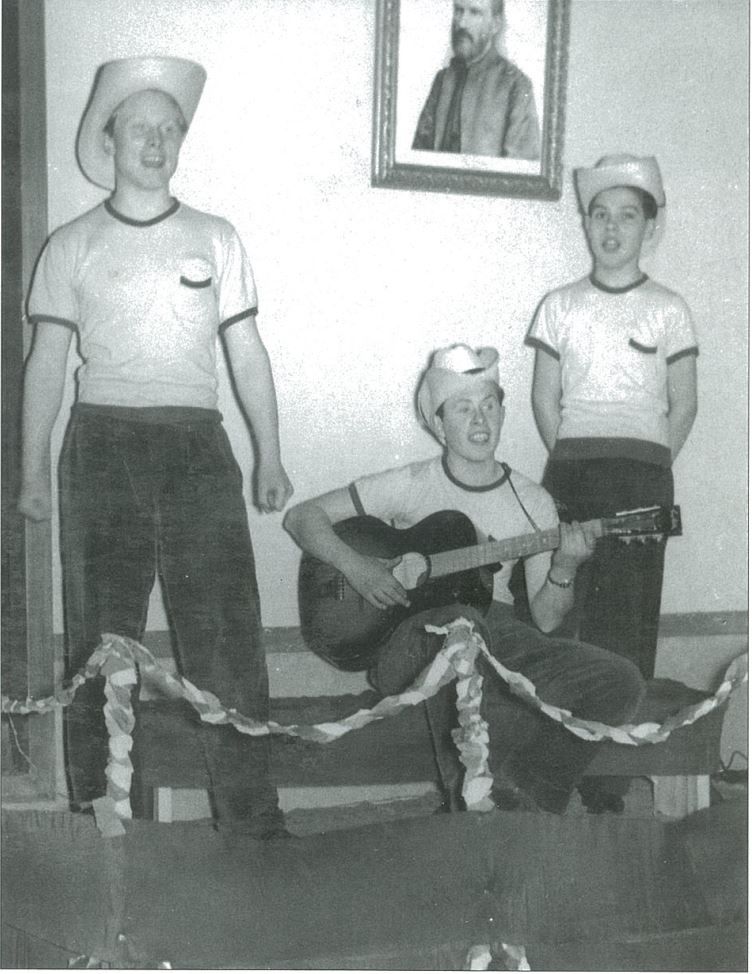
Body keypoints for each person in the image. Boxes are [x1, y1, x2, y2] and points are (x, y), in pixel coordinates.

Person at [18, 56, 293, 838]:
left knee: (227, 640)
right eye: (140, 127)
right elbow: (46, 363)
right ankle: (103, 825)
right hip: (102, 447)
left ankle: (252, 825)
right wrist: (33, 471)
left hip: (197, 448)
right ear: (108, 140)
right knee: (99, 645)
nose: (156, 141)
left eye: (170, 128)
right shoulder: (71, 244)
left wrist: (270, 453)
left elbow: (248, 353)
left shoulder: (217, 236)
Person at [284, 344, 644, 814]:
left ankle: (531, 793)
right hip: (410, 643)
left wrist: (564, 567)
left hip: (499, 635)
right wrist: (358, 567)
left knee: (621, 680)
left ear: (502, 414)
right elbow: (302, 517)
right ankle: (467, 808)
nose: (480, 420)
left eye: (490, 406)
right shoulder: (410, 483)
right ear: (438, 425)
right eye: (463, 408)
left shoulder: (533, 500)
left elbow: (546, 620)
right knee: (459, 623)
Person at [526, 154, 699, 812]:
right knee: (565, 616)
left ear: (649, 228)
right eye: (600, 215)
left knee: (628, 624)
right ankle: (551, 768)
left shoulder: (669, 309)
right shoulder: (559, 306)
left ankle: (608, 785)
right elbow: (545, 400)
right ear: (586, 224)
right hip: (572, 470)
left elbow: (684, 405)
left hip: (643, 478)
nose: (611, 228)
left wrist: (649, 467)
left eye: (627, 216)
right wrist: (572, 463)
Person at [412, 0, 540, 159]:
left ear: (495, 24)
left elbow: (520, 169)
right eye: (458, 10)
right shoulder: (442, 80)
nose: (462, 23)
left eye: (475, 13)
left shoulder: (517, 86)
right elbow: (418, 158)